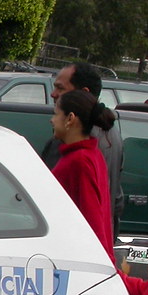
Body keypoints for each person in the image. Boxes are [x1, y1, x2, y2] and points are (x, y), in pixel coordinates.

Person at [41, 63, 125, 235]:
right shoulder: (111, 135)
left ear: (84, 93)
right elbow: (116, 200)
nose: (53, 94)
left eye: (60, 88)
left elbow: (49, 198)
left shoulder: (76, 146)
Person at [50, 89, 116, 258]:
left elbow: (91, 218)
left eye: (56, 114)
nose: (52, 120)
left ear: (70, 118)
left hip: (80, 260)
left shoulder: (79, 160)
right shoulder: (92, 155)